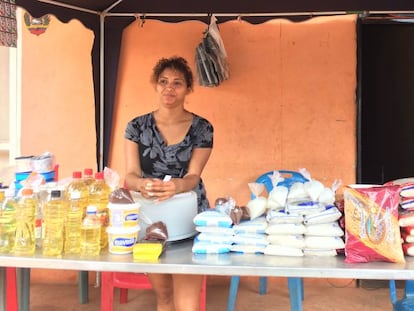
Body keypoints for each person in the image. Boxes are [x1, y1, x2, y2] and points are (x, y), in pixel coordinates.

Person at [124, 56, 214, 311]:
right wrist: (141, 185)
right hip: (150, 218)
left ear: (188, 89)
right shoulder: (136, 127)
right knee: (163, 296)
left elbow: (193, 176)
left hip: (190, 214)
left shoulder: (202, 128)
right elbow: (130, 175)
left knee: (187, 300)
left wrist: (177, 186)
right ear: (155, 85)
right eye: (163, 82)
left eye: (177, 83)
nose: (169, 88)